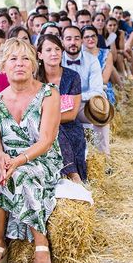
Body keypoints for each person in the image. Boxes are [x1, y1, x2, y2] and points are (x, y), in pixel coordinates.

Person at [0, 38, 61, 263]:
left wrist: (18, 161)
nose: (19, 64)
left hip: (41, 158)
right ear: (3, 66)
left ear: (34, 64)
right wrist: (1, 157)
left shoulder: (49, 93)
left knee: (22, 174)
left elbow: (46, 140)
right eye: (13, 59)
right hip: (8, 158)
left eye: (25, 59)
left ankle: (41, 244)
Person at [37, 34, 86, 182]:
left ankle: (72, 174)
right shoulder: (34, 79)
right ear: (40, 54)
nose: (54, 53)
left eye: (58, 49)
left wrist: (49, 120)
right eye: (49, 49)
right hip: (39, 126)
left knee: (59, 132)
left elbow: (71, 114)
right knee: (53, 132)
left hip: (68, 124)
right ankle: (73, 175)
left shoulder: (72, 76)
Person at [61, 26, 110, 154]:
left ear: (81, 41)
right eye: (68, 39)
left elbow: (97, 90)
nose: (73, 42)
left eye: (76, 38)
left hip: (85, 105)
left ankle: (104, 157)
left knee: (101, 115)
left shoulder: (92, 60)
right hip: (60, 105)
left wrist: (77, 97)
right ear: (62, 41)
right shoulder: (57, 59)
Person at [112, 5, 133, 86]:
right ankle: (122, 80)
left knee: (129, 51)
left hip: (120, 49)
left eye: (120, 13)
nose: (118, 15)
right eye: (116, 13)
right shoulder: (109, 23)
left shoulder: (122, 23)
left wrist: (128, 46)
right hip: (111, 50)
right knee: (120, 56)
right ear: (112, 13)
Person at [82, 26, 116, 104]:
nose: (91, 39)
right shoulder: (79, 55)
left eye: (93, 36)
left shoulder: (106, 53)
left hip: (101, 88)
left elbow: (104, 80)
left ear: (97, 37)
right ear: (81, 40)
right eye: (87, 37)